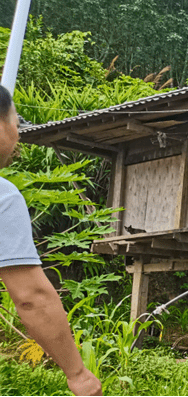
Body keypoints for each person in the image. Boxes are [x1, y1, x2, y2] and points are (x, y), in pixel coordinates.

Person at [0, 85, 102, 396]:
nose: (18, 130)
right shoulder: (3, 197)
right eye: (16, 119)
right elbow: (31, 296)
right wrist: (78, 374)